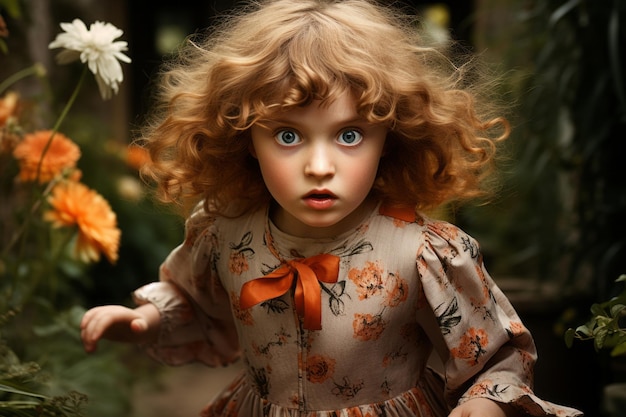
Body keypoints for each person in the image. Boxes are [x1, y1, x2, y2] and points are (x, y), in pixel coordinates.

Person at [80, 1, 583, 416]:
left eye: (349, 135)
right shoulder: (225, 232)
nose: (319, 166)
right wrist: (144, 318)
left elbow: (494, 355)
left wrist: (483, 406)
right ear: (245, 139)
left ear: (390, 137)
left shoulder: (424, 251)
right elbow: (191, 296)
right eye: (288, 135)